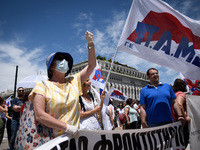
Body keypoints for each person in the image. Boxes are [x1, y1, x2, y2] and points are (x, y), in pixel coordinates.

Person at [28, 31, 96, 141]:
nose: (64, 61)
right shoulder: (42, 85)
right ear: (51, 67)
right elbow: (40, 115)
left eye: (65, 59)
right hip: (52, 141)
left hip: (74, 139)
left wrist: (90, 44)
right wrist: (67, 127)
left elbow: (91, 65)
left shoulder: (73, 81)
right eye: (59, 59)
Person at [172, 78, 190, 148]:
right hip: (181, 121)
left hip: (174, 120)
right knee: (183, 142)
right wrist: (184, 118)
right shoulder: (180, 94)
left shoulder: (174, 94)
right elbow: (179, 104)